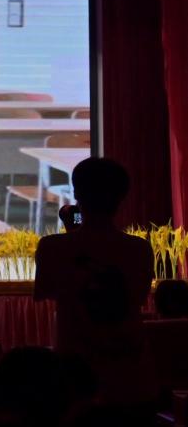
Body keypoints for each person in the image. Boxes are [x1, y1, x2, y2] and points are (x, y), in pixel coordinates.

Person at [34, 157, 155, 411]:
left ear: (76, 193)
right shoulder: (140, 249)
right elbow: (136, 297)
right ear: (122, 196)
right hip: (129, 374)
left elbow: (49, 291)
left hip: (73, 378)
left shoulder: (52, 247)